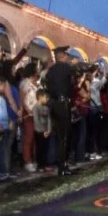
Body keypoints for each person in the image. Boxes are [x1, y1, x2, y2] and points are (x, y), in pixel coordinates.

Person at [44, 46, 75, 176]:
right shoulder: (65, 68)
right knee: (64, 137)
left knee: (58, 137)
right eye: (66, 55)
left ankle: (59, 163)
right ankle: (63, 166)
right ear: (62, 56)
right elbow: (74, 77)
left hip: (53, 104)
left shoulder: (50, 71)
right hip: (63, 104)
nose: (68, 58)